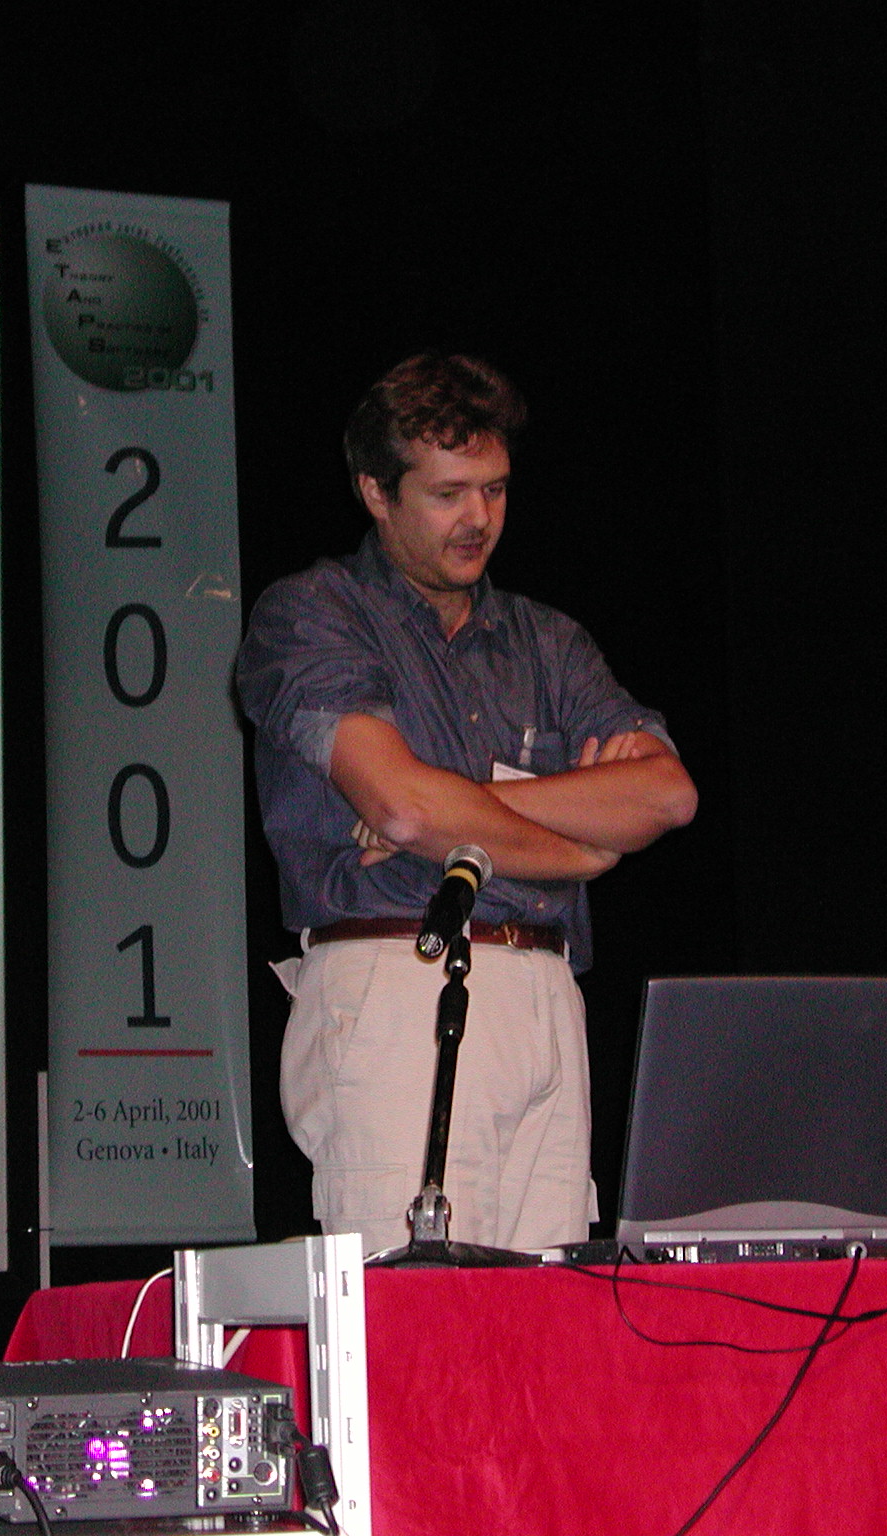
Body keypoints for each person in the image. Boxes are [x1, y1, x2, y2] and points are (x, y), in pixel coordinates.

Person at [235, 353, 696, 1254]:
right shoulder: (312, 613)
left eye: (494, 489)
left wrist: (472, 804)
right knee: (414, 1311)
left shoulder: (548, 641)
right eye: (448, 494)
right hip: (399, 975)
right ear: (376, 492)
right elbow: (403, 809)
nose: (479, 518)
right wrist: (582, 849)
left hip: (548, 989)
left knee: (545, 1315)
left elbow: (667, 795)